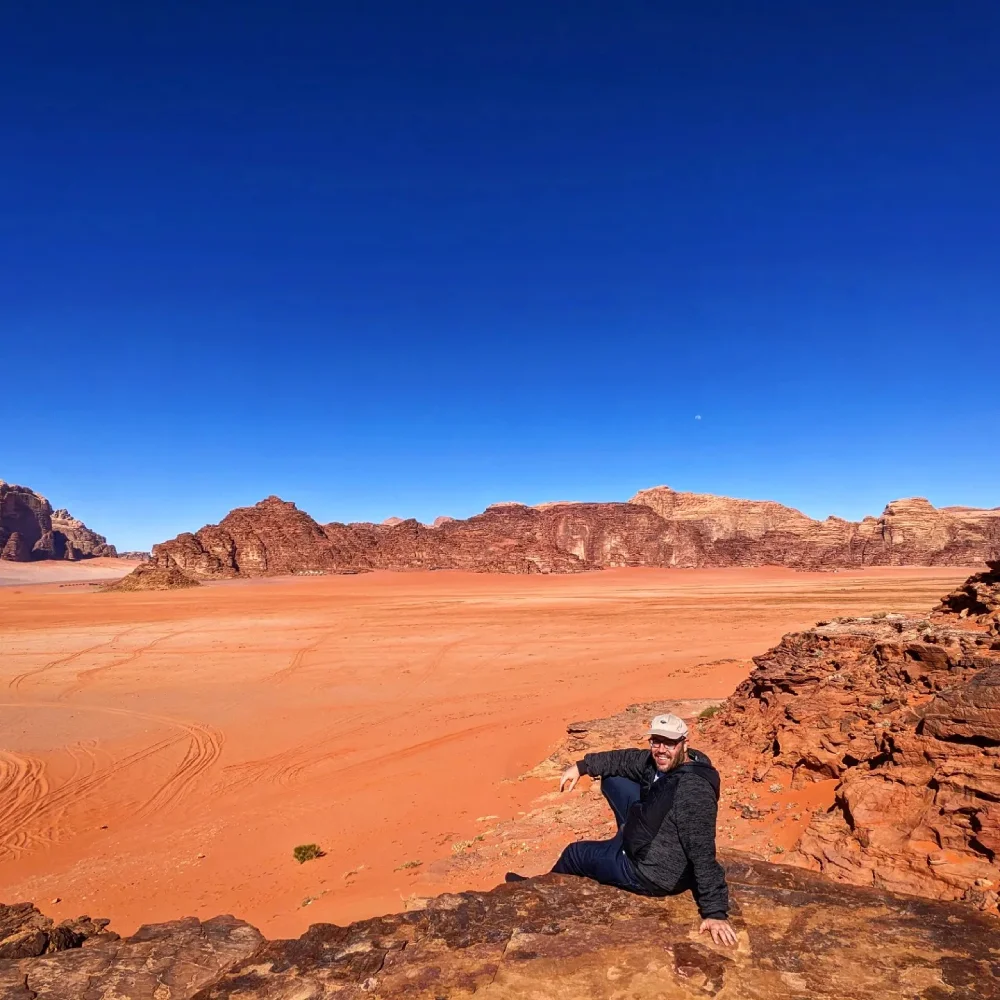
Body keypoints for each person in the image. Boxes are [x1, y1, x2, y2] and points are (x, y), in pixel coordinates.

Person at [513, 712, 737, 947]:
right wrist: (582, 767)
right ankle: (624, 836)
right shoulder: (660, 762)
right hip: (649, 832)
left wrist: (715, 913)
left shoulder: (692, 790)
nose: (661, 749)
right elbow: (626, 759)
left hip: (650, 871)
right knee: (612, 778)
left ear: (684, 744)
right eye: (656, 741)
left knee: (574, 854)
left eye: (670, 743)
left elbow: (702, 852)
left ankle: (536, 893)